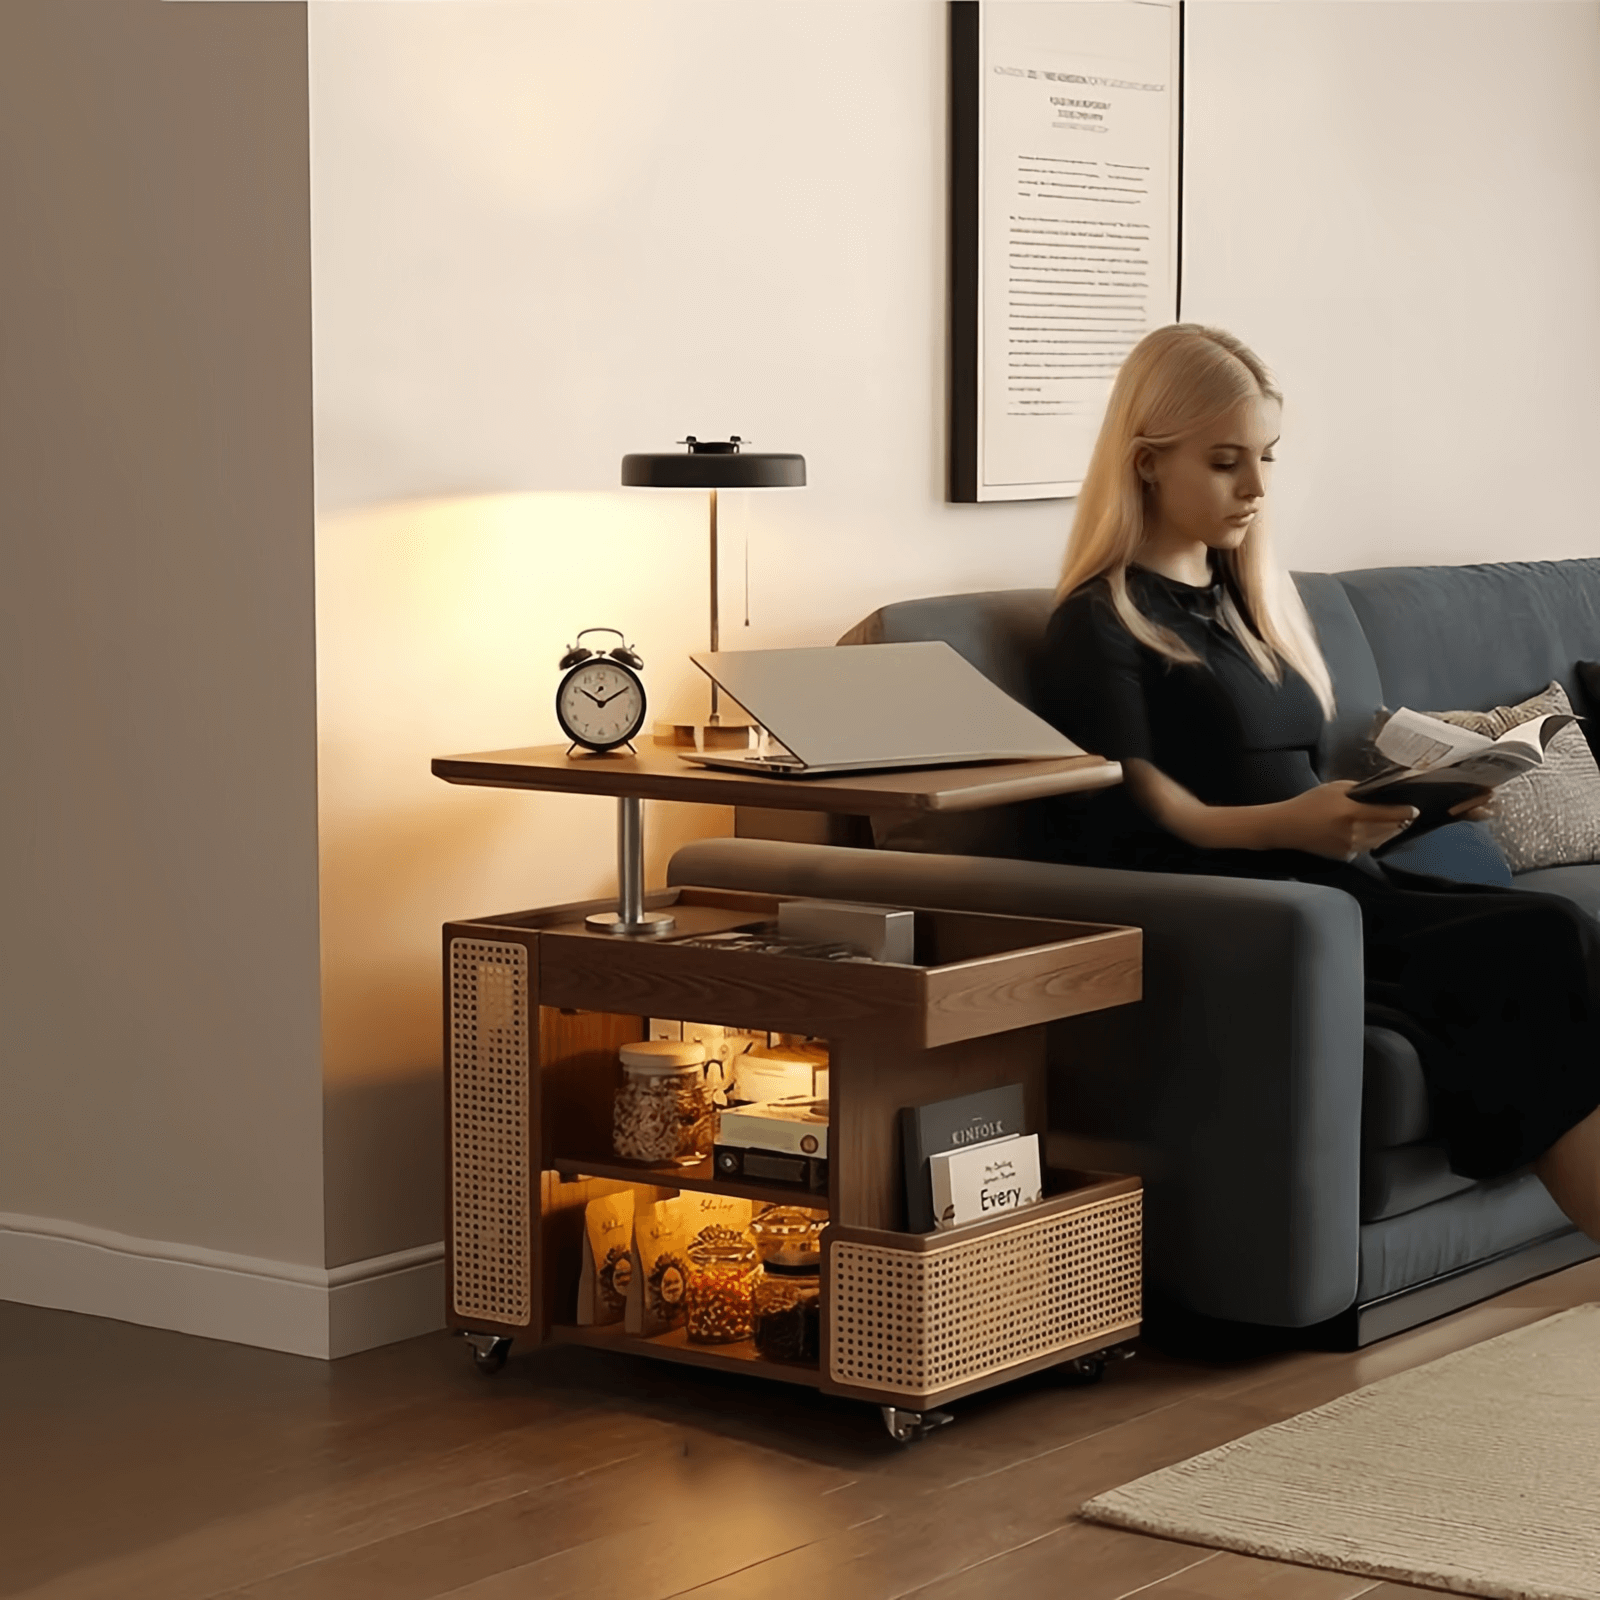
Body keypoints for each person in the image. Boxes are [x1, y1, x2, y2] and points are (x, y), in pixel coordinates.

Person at [1038, 323, 1600, 1240]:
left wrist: (1418, 805)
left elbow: (1305, 781)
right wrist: (1288, 828)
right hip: (1258, 911)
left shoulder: (1242, 606)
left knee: (1568, 927)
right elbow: (1133, 816)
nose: (1257, 488)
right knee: (1536, 939)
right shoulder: (1101, 625)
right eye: (1226, 462)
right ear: (1145, 463)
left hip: (1336, 881)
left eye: (1265, 458)